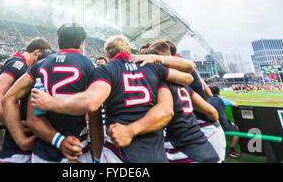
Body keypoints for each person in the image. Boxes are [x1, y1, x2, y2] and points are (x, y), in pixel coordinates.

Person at [31, 35, 195, 163]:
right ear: (129, 51)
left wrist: (51, 102)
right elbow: (189, 74)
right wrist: (159, 59)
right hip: (154, 151)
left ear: (107, 54)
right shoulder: (151, 65)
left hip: (118, 151)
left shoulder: (106, 70)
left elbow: (91, 101)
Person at [2, 24, 99, 163]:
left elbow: (8, 98)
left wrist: (20, 139)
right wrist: (98, 156)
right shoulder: (90, 65)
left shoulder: (40, 64)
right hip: (77, 149)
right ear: (81, 43)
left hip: (44, 150)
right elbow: (94, 117)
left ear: (59, 42)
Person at [208, 86, 241, 158]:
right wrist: (224, 99)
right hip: (223, 125)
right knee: (236, 129)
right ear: (219, 92)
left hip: (211, 125)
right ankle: (232, 150)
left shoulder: (207, 100)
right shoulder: (221, 99)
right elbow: (236, 104)